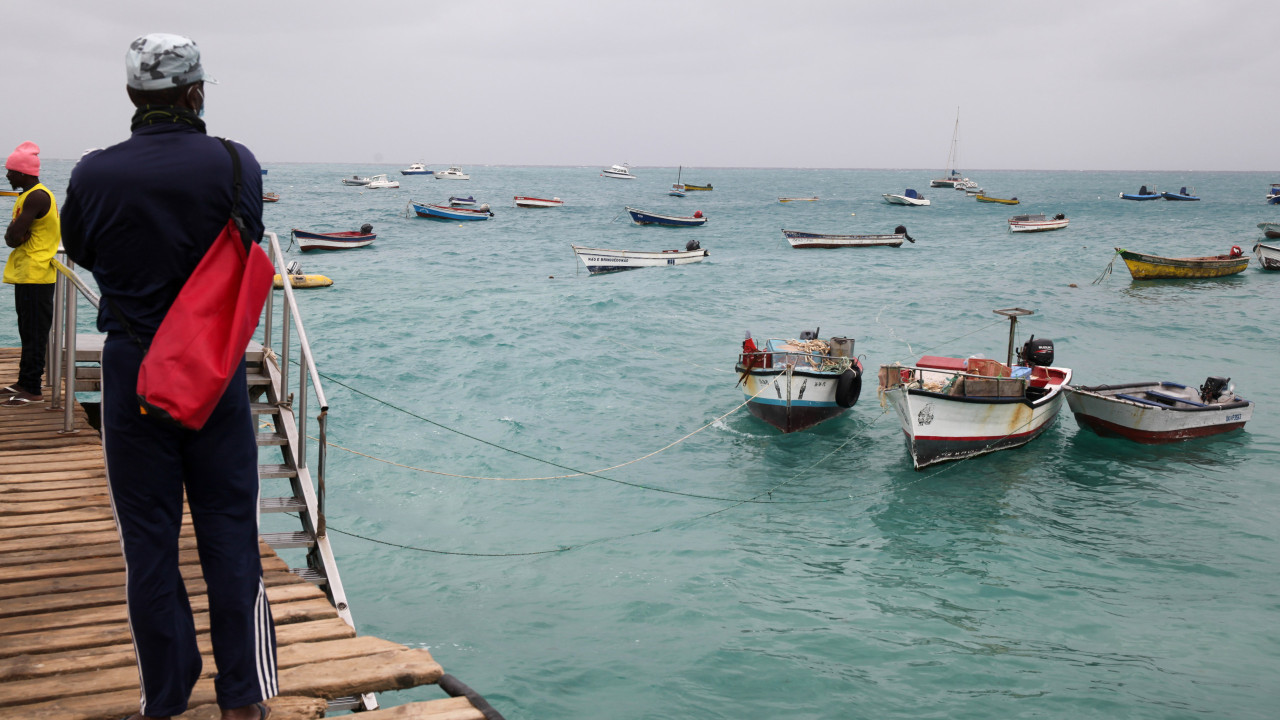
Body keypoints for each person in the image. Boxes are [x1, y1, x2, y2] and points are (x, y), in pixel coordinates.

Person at [61, 33, 275, 720]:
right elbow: (243, 243)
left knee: (148, 539)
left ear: (132, 95)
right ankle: (242, 697)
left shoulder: (94, 172)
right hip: (210, 371)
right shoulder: (236, 165)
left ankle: (168, 697)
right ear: (196, 91)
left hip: (132, 370)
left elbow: (82, 248)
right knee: (229, 530)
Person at [3, 141, 60, 406]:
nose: (7, 176)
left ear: (23, 172)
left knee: (35, 332)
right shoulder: (28, 196)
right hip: (27, 273)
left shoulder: (37, 196)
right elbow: (15, 236)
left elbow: (13, 237)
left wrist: (16, 232)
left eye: (10, 172)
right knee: (27, 330)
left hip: (37, 274)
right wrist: (16, 233)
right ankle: (24, 381)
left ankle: (33, 389)